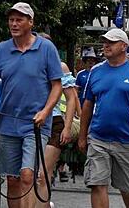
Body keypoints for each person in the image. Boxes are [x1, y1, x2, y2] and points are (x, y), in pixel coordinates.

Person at [0, 2, 62, 208]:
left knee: (27, 175)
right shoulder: (2, 50)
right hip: (8, 124)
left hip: (35, 124)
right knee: (12, 179)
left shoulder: (46, 48)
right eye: (11, 20)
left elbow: (57, 87)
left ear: (31, 22)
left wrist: (45, 111)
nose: (14, 23)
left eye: (19, 19)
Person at [79, 28, 129, 208]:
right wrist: (83, 136)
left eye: (111, 42)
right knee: (97, 184)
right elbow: (87, 105)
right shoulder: (95, 71)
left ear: (124, 46)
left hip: (127, 139)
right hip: (98, 138)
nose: (106, 45)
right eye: (105, 41)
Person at [36, 33, 78, 208]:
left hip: (54, 123)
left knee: (42, 174)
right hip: (32, 122)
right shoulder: (29, 63)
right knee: (28, 175)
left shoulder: (60, 67)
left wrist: (68, 127)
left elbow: (70, 98)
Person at [76, 47, 100, 111]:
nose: (91, 62)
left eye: (93, 60)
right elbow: (76, 91)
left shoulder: (99, 74)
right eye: (89, 60)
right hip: (82, 102)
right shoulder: (80, 74)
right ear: (85, 62)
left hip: (95, 103)